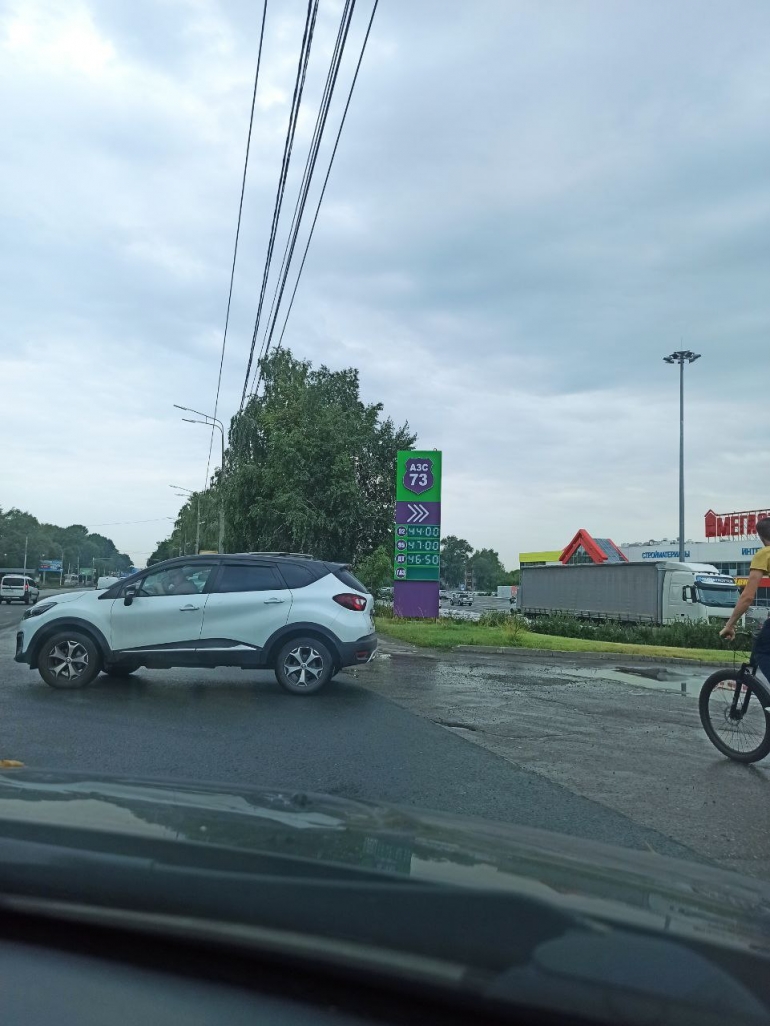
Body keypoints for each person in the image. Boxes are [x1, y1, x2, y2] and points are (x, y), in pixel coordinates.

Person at [720, 517, 770, 684]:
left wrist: (730, 625)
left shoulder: (764, 554)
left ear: (761, 537)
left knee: (761, 651)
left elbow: (747, 596)